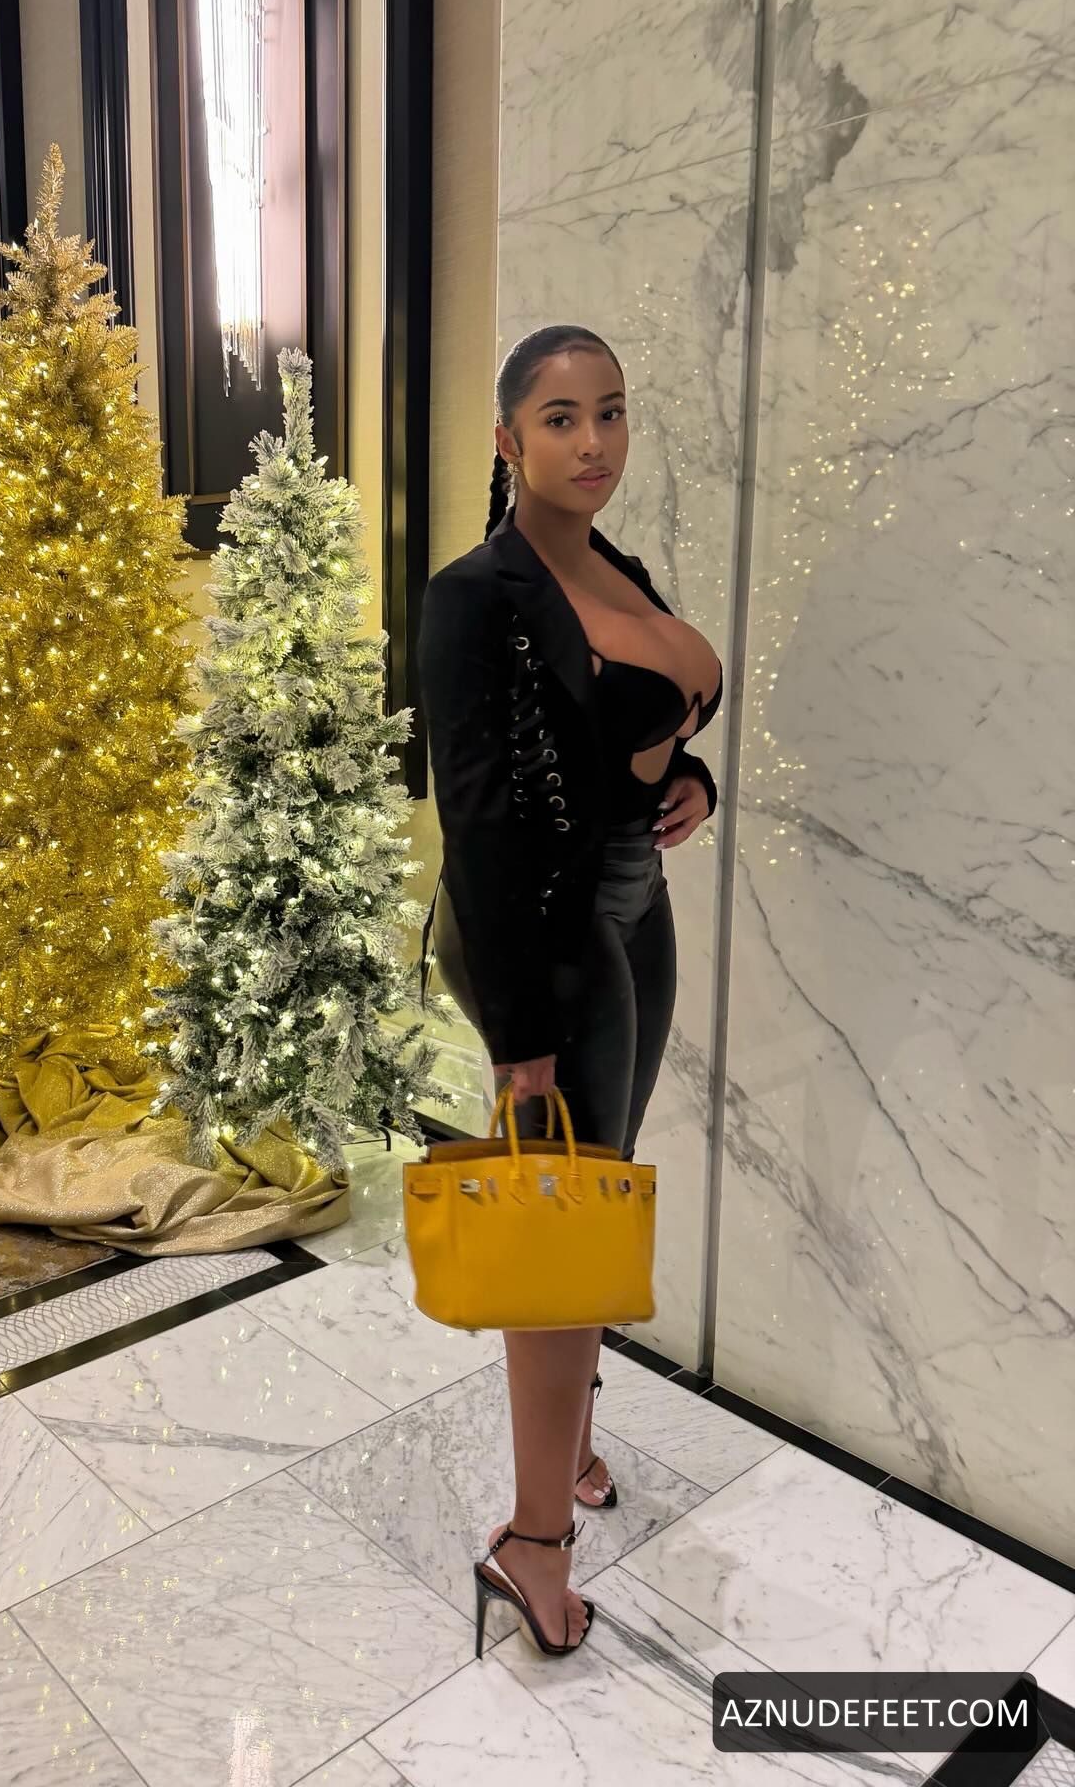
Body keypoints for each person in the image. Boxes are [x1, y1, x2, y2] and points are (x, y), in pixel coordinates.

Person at [418, 324, 722, 1658]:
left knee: (596, 1193)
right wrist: (520, 1041)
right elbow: (479, 824)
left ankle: (573, 1443)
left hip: (633, 909)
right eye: (559, 418)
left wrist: (692, 782)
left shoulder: (615, 567)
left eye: (611, 411)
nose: (593, 442)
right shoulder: (475, 596)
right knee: (559, 1216)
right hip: (543, 930)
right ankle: (531, 1543)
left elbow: (638, 732)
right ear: (508, 440)